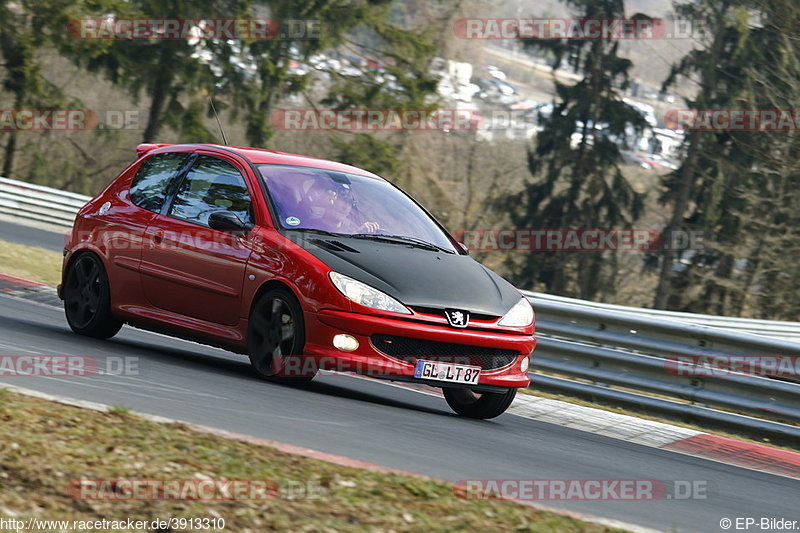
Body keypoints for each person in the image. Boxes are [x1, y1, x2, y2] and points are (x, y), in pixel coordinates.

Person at [297, 179, 380, 233]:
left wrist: (360, 233)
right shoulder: (307, 228)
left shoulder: (352, 231)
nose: (345, 207)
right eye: (343, 200)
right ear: (329, 201)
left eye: (349, 203)